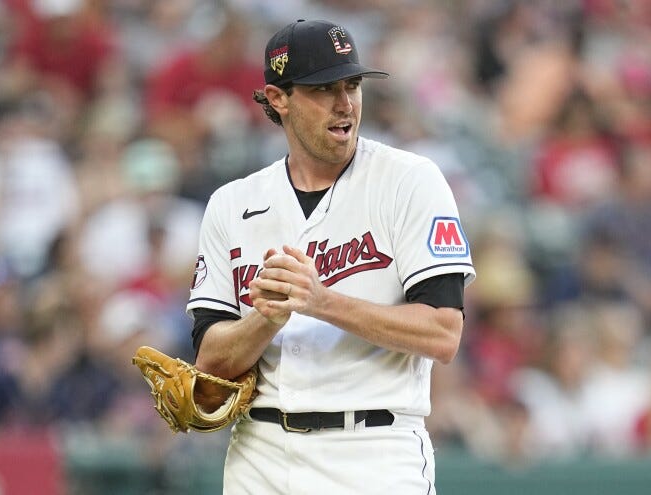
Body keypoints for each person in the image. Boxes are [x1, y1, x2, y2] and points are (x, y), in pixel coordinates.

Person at [186, 19, 476, 494]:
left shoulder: (409, 181)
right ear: (278, 98)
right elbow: (210, 359)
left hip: (373, 452)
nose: (345, 103)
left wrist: (321, 301)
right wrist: (268, 317)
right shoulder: (232, 204)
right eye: (324, 88)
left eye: (353, 84)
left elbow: (444, 332)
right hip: (259, 455)